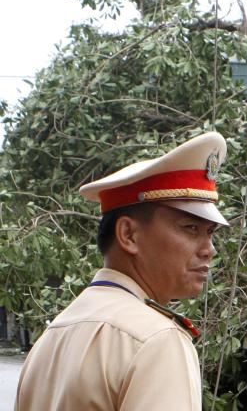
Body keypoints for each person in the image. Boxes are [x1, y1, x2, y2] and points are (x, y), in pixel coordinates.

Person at [15, 132, 230, 411]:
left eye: (210, 232)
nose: (209, 249)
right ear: (128, 234)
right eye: (191, 228)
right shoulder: (155, 340)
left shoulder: (51, 338)